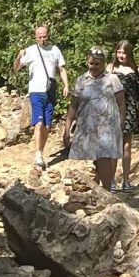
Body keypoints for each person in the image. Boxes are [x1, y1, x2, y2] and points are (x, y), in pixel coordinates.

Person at [66, 49, 124, 193]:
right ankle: (98, 190)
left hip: (108, 125)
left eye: (97, 64)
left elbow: (121, 103)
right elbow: (73, 106)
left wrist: (121, 123)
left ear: (104, 63)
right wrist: (67, 129)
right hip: (88, 126)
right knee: (96, 159)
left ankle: (107, 191)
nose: (93, 67)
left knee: (103, 156)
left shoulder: (112, 79)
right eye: (91, 63)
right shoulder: (81, 80)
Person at [16, 22, 69, 174]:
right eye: (39, 37)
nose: (42, 39)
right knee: (39, 123)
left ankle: (41, 151)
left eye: (44, 36)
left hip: (50, 91)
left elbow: (61, 69)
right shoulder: (31, 51)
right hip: (36, 91)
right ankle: (38, 154)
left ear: (48, 36)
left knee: (47, 125)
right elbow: (16, 68)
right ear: (35, 37)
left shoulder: (54, 50)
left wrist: (66, 85)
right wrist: (19, 57)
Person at [111, 39, 139, 191]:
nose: (121, 55)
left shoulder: (134, 69)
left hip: (130, 109)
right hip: (114, 109)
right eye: (119, 52)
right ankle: (111, 181)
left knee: (127, 145)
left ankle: (126, 181)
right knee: (113, 145)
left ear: (129, 53)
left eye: (123, 53)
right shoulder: (111, 68)